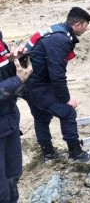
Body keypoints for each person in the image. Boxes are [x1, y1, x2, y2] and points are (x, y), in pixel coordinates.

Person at [23, 7, 90, 162]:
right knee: (67, 112)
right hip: (34, 85)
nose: (87, 29)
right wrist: (65, 99)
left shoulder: (57, 31)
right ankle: (75, 153)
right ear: (78, 25)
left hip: (28, 82)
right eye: (86, 25)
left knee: (42, 117)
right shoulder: (60, 39)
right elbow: (57, 74)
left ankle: (49, 155)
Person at [0, 32, 33, 203]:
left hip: (9, 122)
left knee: (13, 175)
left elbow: (12, 80)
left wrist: (18, 62)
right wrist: (16, 81)